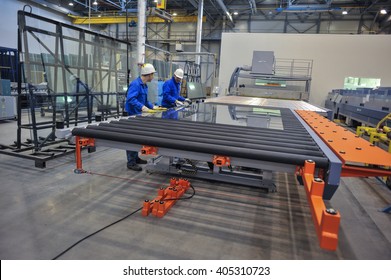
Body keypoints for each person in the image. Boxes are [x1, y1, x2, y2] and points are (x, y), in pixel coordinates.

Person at [125, 63, 159, 171]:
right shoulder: (135, 84)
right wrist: (142, 107)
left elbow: (144, 100)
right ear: (148, 75)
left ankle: (136, 158)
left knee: (137, 138)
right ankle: (131, 162)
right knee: (131, 139)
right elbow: (131, 99)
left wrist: (152, 106)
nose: (153, 77)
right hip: (132, 115)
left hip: (139, 115)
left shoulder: (144, 85)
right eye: (152, 75)